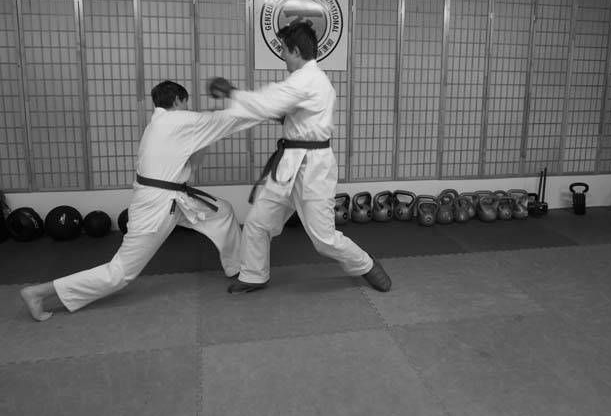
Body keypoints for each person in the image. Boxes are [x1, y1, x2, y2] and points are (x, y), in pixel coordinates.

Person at [20, 80, 263, 321]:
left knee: (222, 212)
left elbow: (193, 163)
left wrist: (206, 135)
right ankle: (39, 293)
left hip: (174, 199)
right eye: (186, 103)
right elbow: (229, 119)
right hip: (156, 207)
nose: (188, 108)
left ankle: (238, 267)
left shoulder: (160, 125)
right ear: (178, 100)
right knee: (119, 274)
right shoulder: (176, 121)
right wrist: (269, 108)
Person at [208, 21, 392, 294]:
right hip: (289, 163)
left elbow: (270, 102)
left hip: (313, 166)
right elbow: (284, 112)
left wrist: (232, 92)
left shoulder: (308, 80)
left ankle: (365, 264)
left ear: (295, 51)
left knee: (323, 239)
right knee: (258, 221)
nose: (282, 56)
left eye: (284, 50)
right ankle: (254, 274)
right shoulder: (304, 80)